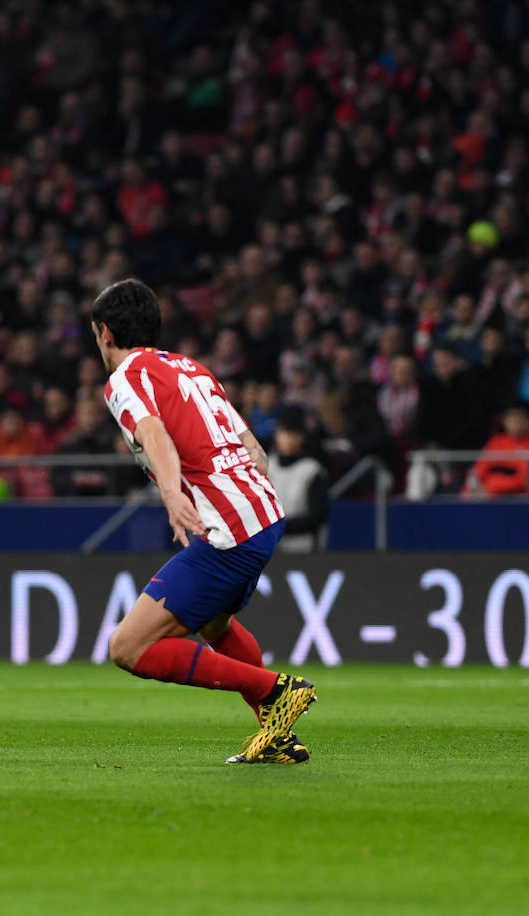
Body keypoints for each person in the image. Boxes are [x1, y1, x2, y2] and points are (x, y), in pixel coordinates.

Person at [90, 278, 316, 765]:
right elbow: (253, 447)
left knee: (127, 647)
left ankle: (276, 690)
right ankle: (276, 734)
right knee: (215, 625)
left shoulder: (126, 377)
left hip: (231, 528)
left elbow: (154, 436)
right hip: (262, 512)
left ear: (104, 333)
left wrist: (173, 495)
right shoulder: (190, 368)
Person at [266, 408, 330, 552]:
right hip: (271, 548)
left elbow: (318, 515)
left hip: (303, 549)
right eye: (283, 433)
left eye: (292, 434)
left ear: (301, 438)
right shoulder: (267, 467)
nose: (287, 439)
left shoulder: (312, 470)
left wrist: (281, 527)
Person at [466, 403, 529, 496]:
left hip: (523, 500)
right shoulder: (496, 442)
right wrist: (468, 493)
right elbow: (478, 471)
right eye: (512, 418)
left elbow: (526, 481)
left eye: (521, 418)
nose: (516, 423)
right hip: (491, 497)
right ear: (505, 421)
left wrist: (492, 487)